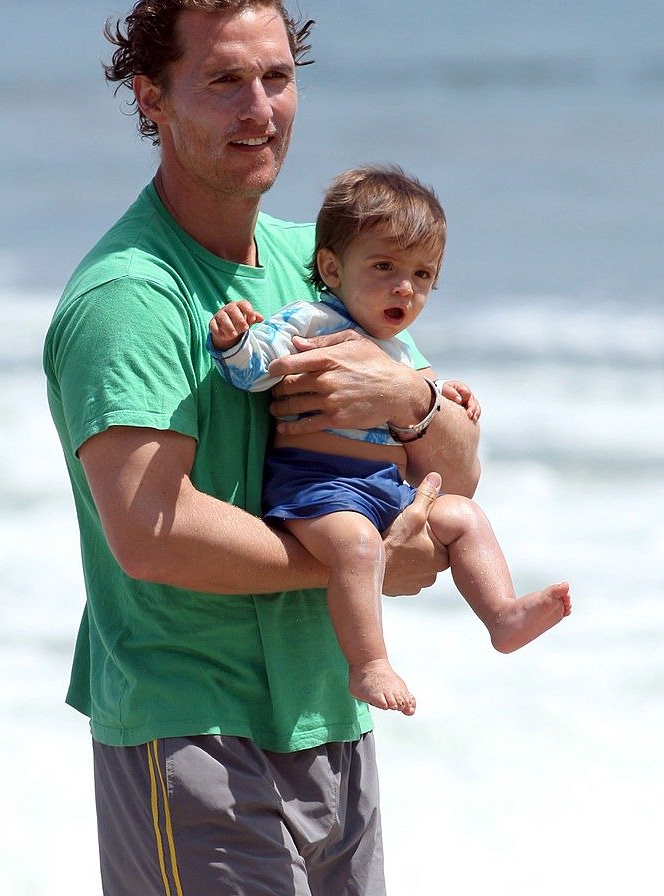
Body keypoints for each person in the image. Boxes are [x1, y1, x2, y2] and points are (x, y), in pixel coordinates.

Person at [43, 0, 480, 896]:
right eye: (225, 81)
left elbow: (452, 463)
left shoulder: (319, 261)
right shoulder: (129, 296)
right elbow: (153, 532)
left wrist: (409, 398)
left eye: (277, 78)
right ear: (150, 97)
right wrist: (353, 556)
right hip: (190, 729)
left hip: (329, 721)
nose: (261, 110)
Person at [208, 165, 572, 715]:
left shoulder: (397, 346)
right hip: (318, 489)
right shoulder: (311, 320)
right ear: (331, 268)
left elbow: (416, 399)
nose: (406, 287)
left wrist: (444, 395)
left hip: (383, 488)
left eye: (423, 275)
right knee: (357, 546)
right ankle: (369, 663)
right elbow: (257, 369)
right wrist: (236, 341)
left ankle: (501, 615)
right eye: (384, 267)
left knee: (464, 518)